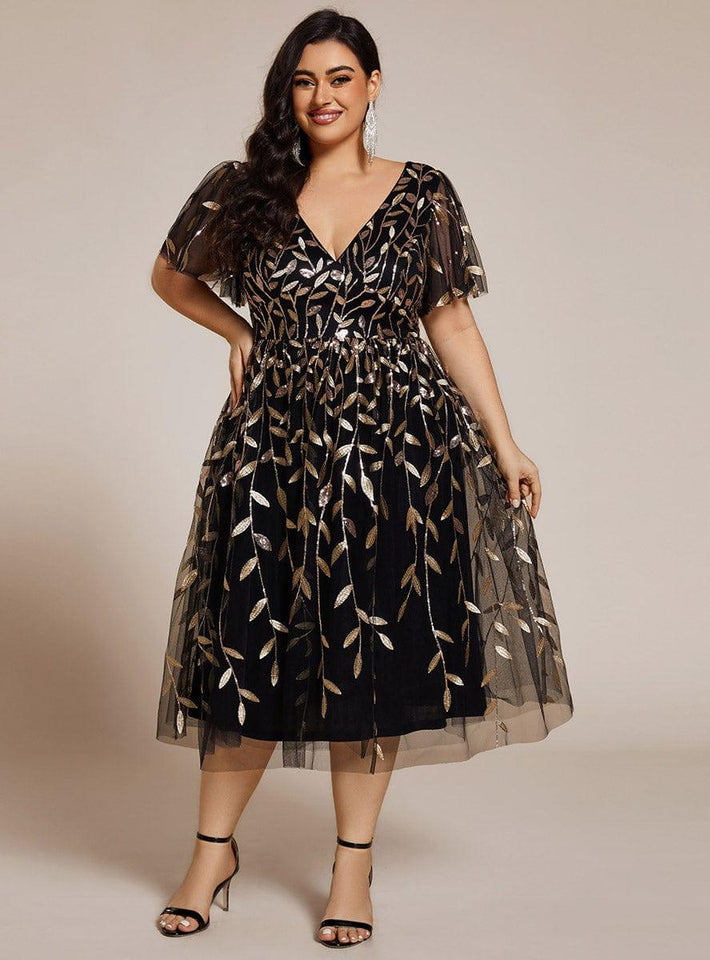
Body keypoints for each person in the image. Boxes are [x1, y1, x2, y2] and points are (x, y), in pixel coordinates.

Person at [149, 7, 574, 947]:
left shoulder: (422, 194)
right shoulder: (244, 190)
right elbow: (170, 277)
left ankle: (351, 867)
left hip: (398, 455)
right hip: (272, 453)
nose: (322, 96)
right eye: (304, 80)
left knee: (367, 657)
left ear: (372, 85)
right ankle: (211, 854)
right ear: (287, 94)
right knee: (248, 649)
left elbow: (450, 321)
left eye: (340, 77)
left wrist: (506, 443)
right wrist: (239, 330)